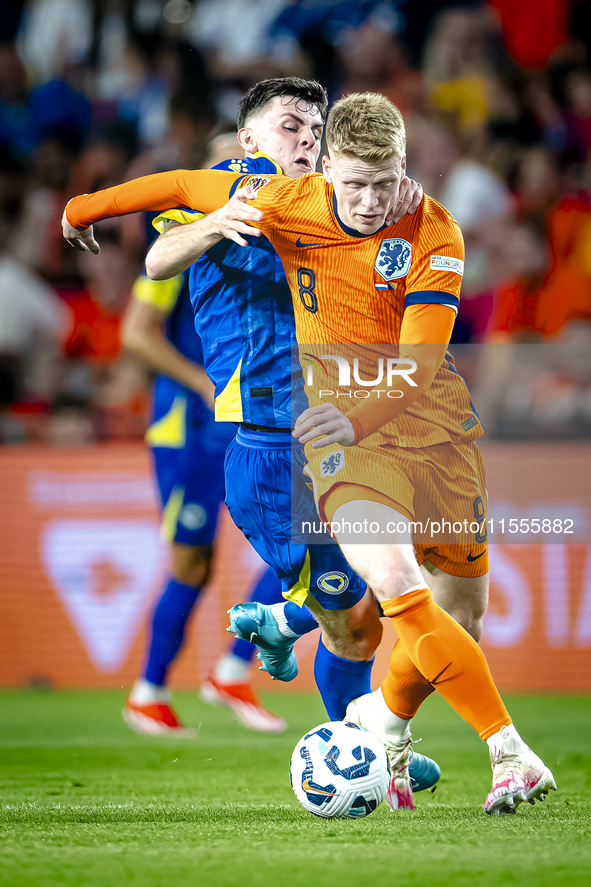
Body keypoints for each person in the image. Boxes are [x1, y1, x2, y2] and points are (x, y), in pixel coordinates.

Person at [61, 87, 554, 812]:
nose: (302, 136)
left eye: (312, 127)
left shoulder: (352, 201)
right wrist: (175, 220)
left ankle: (325, 674)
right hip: (270, 443)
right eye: (288, 124)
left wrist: (392, 193)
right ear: (246, 137)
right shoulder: (240, 190)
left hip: (361, 430)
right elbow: (159, 255)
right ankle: (367, 742)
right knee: (365, 609)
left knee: (400, 606)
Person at [120, 263, 289, 735]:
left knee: (302, 540)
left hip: (253, 418)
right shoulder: (178, 244)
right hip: (188, 429)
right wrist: (201, 381)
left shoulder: (270, 238)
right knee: (192, 564)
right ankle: (148, 693)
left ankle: (233, 670)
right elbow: (135, 333)